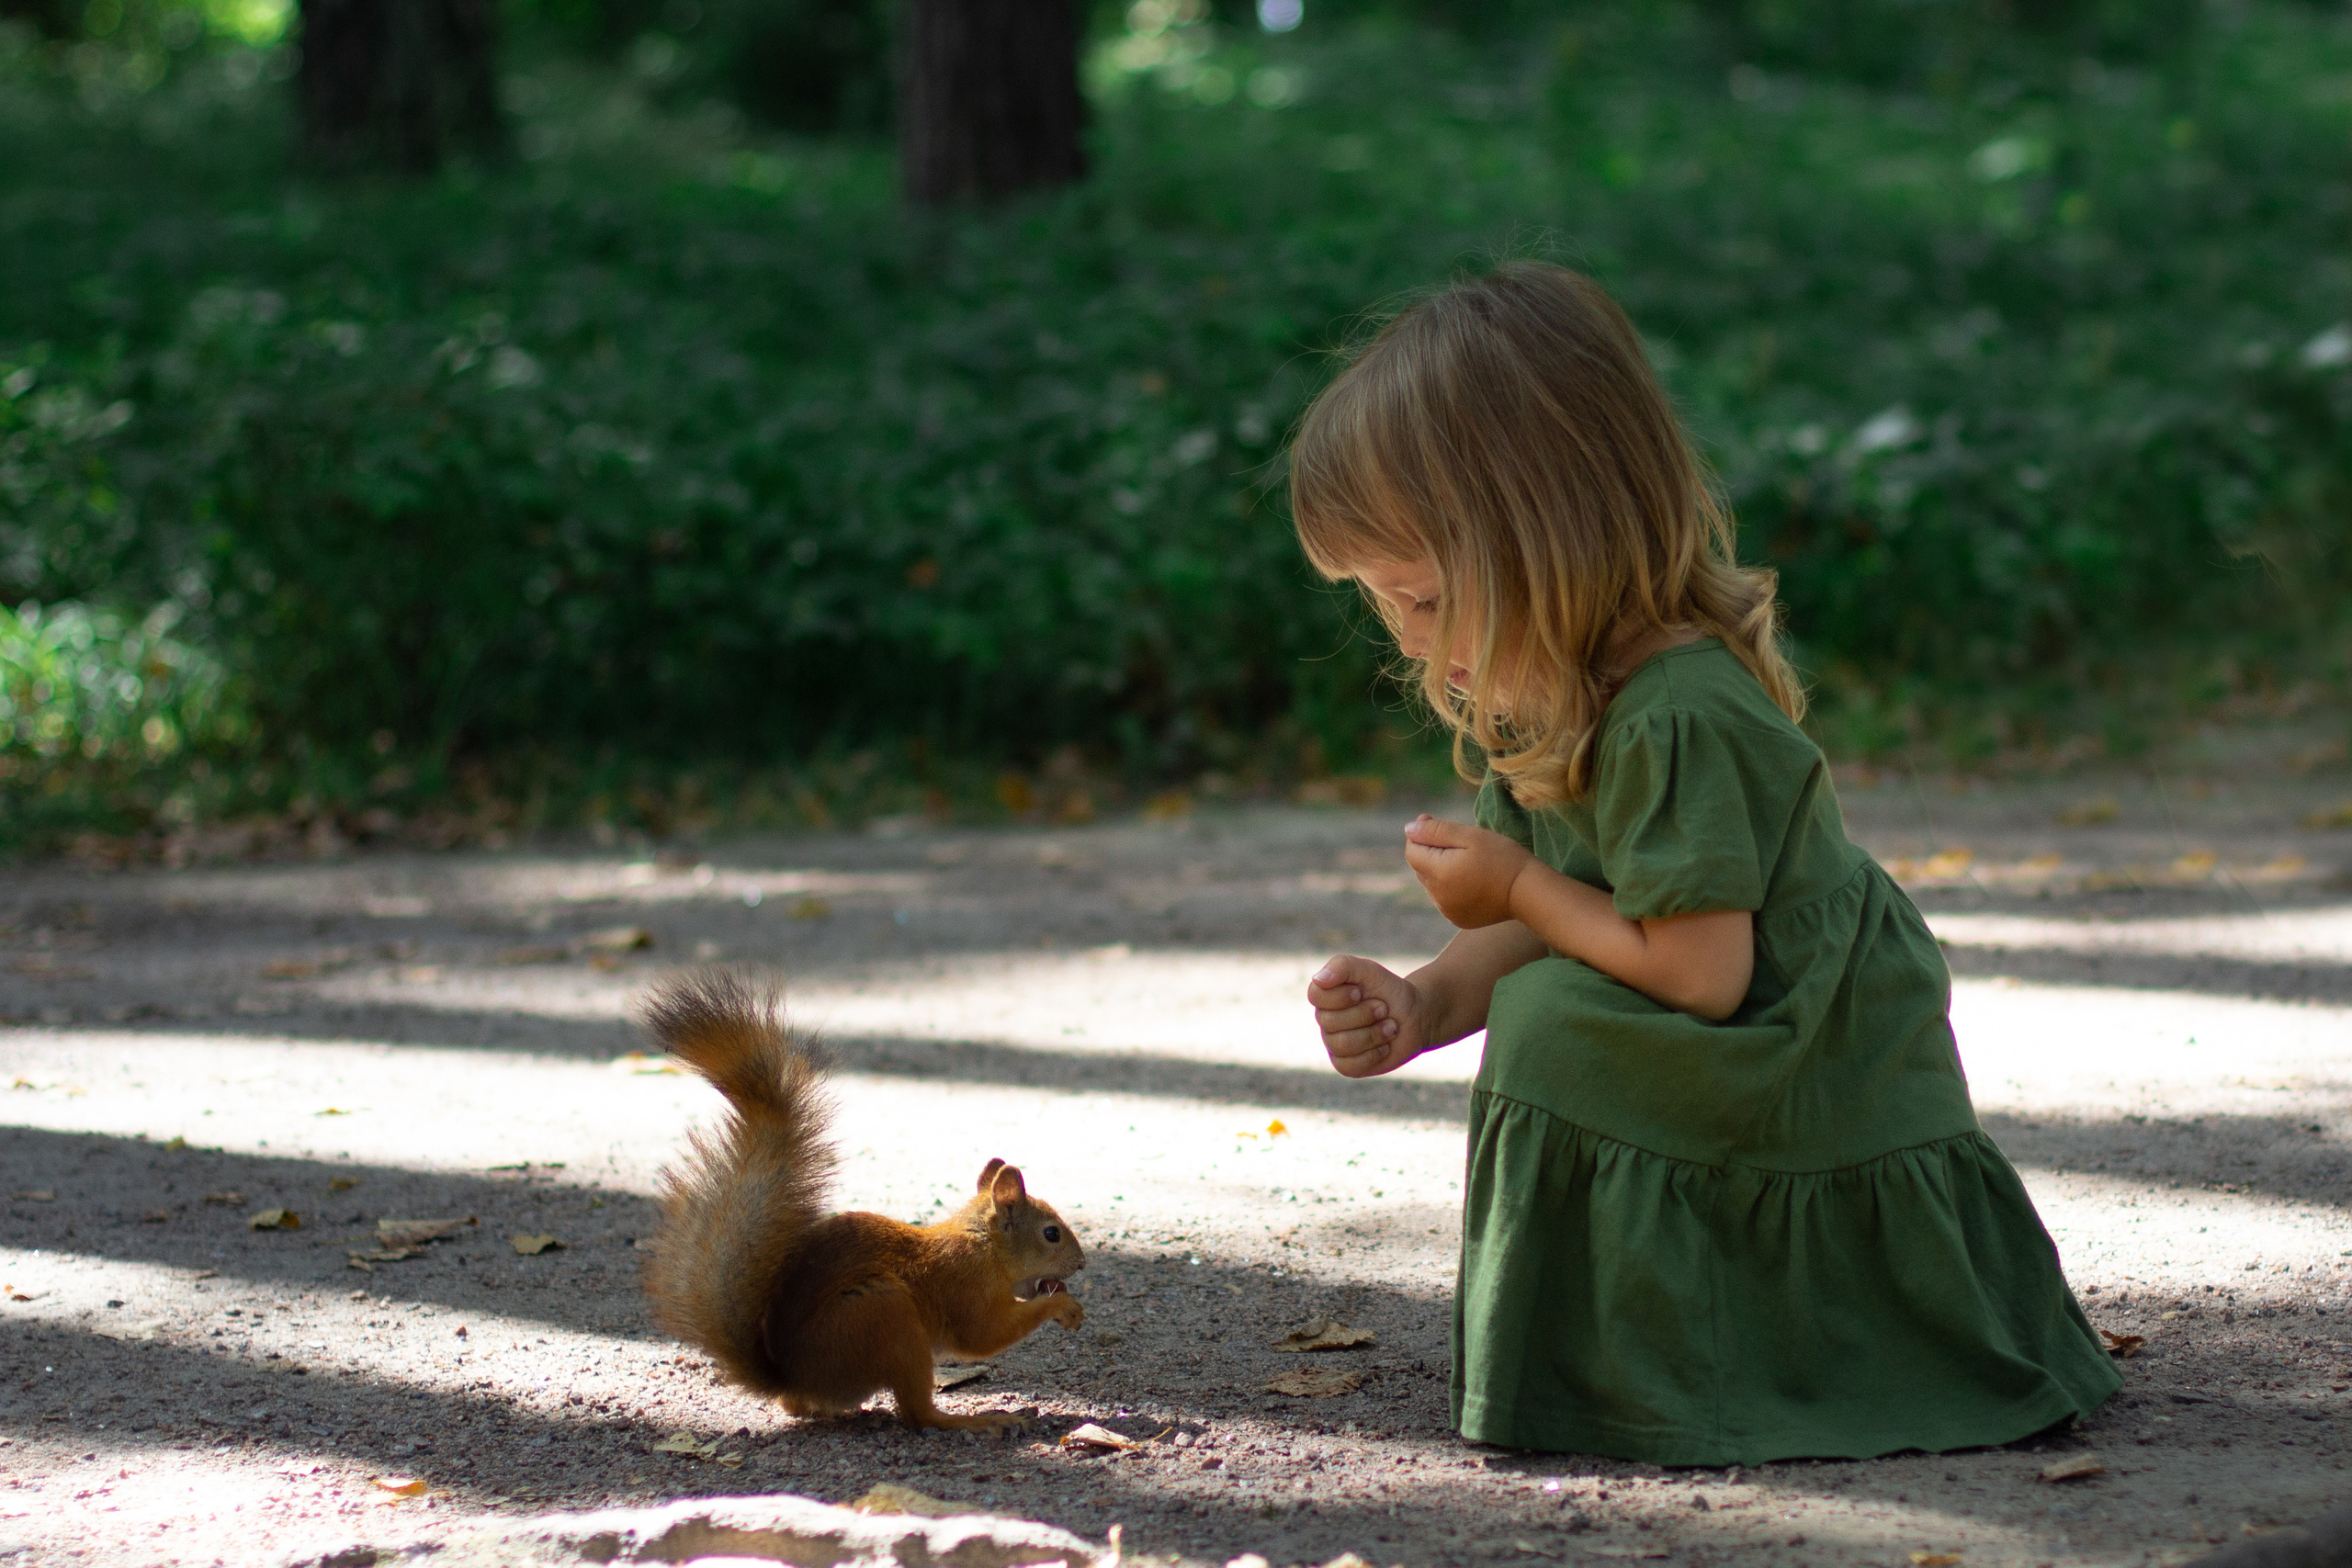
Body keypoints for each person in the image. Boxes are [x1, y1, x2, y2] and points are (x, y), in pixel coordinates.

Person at [1292, 262, 2120, 1464]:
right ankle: (1619, 1362)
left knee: (1557, 1021)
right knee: (1537, 1000)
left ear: (1548, 537)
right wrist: (1423, 1002)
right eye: (1386, 607)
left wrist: (1518, 888)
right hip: (1718, 1002)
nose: (1411, 640)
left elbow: (1701, 974)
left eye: (1422, 597)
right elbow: (1545, 919)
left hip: (1803, 1032)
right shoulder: (1543, 693)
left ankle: (1710, 1363)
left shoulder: (1681, 707)